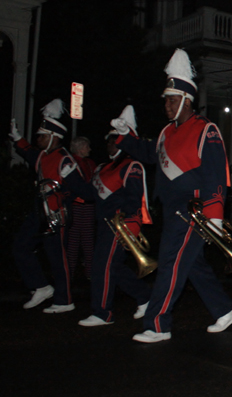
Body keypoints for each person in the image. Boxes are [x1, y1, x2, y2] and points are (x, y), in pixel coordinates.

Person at [112, 49, 232, 343]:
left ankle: (158, 324)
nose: (167, 106)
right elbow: (149, 153)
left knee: (171, 263)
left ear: (187, 99)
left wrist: (214, 215)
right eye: (166, 100)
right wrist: (124, 137)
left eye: (172, 100)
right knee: (191, 264)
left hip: (192, 210)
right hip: (173, 210)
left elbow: (215, 175)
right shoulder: (166, 133)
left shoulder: (206, 130)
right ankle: (225, 310)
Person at [64, 119, 151, 326]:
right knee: (114, 267)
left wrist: (123, 219)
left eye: (113, 140)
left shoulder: (132, 165)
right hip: (105, 224)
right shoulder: (103, 168)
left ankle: (103, 313)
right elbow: (89, 194)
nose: (109, 144)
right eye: (109, 141)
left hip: (121, 223)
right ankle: (146, 297)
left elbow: (134, 198)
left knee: (102, 266)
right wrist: (70, 176)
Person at [9, 99, 78, 313]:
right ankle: (41, 287)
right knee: (20, 247)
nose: (38, 139)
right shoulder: (42, 156)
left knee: (57, 258)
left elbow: (81, 191)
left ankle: (65, 300)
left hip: (56, 214)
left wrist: (60, 190)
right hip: (40, 212)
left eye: (42, 136)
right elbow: (29, 152)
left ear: (53, 137)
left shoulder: (65, 159)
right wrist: (18, 139)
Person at [66, 136, 96, 281]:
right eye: (86, 146)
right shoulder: (71, 162)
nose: (89, 149)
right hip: (75, 206)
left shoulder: (90, 163)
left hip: (89, 205)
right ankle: (69, 274)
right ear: (79, 148)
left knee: (88, 240)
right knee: (73, 241)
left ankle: (90, 273)